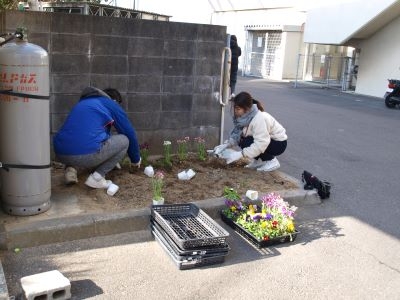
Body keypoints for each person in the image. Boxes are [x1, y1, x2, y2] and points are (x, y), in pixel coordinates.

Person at [53, 87, 141, 189]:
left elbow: (82, 136)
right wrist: (135, 160)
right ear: (115, 101)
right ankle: (97, 178)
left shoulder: (83, 103)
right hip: (83, 154)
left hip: (60, 153)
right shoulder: (111, 104)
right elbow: (129, 132)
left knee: (80, 140)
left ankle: (71, 169)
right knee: (124, 140)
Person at [213, 91, 287, 172]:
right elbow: (238, 135)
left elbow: (262, 143)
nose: (235, 111)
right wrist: (226, 145)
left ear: (247, 109)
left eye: (238, 109)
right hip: (268, 141)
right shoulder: (244, 118)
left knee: (247, 142)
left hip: (278, 144)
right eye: (235, 108)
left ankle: (271, 160)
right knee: (243, 140)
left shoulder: (258, 118)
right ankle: (260, 160)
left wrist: (241, 154)